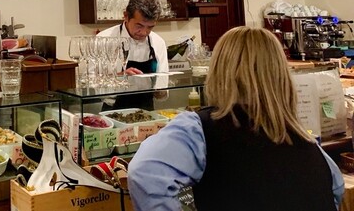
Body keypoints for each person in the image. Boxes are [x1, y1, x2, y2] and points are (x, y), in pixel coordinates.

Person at [128, 26, 344, 211]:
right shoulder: (307, 142)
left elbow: (145, 173)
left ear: (219, 71)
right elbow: (336, 190)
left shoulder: (200, 128)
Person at [97, 0, 168, 75]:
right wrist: (120, 76)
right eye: (139, 26)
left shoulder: (158, 42)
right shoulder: (102, 41)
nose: (144, 32)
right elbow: (89, 78)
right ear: (126, 16)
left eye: (150, 27)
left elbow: (163, 78)